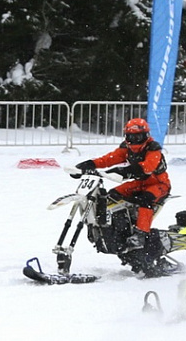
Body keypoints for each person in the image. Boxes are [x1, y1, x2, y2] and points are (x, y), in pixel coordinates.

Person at [73, 117, 172, 274]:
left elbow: (146, 168)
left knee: (145, 199)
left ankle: (141, 234)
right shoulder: (126, 148)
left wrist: (122, 171)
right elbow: (109, 159)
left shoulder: (153, 149)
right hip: (139, 183)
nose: (134, 141)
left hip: (158, 184)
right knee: (113, 195)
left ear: (145, 136)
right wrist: (89, 164)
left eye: (137, 137)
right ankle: (118, 228)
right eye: (130, 137)